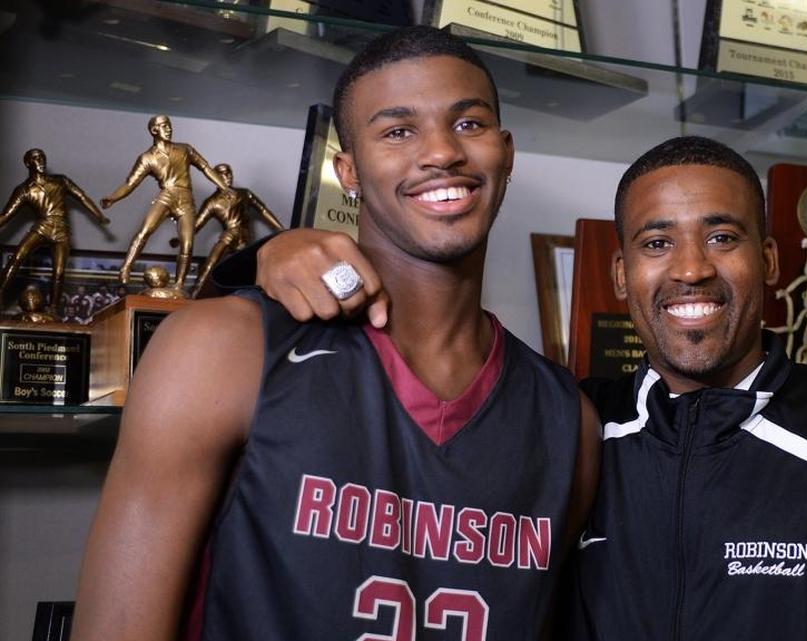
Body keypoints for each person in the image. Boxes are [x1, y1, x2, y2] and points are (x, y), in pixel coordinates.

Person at [223, 136, 807, 639]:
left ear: (768, 261)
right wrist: (266, 256)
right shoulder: (566, 426)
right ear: (622, 274)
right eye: (658, 242)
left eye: (722, 236)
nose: (691, 268)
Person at [72, 26, 598, 641]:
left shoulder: (570, 420)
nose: (441, 152)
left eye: (469, 123)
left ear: (505, 152)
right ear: (348, 170)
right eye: (398, 131)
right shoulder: (221, 348)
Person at [101, 115, 231, 291]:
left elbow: (206, 168)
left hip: (186, 198)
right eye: (164, 126)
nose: (168, 129)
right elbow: (130, 184)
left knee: (188, 243)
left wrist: (224, 187)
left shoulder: (185, 149)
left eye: (169, 125)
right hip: (166, 196)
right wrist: (113, 197)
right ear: (154, 130)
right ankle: (126, 268)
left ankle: (179, 284)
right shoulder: (147, 157)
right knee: (145, 231)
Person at [0, 148, 109, 309]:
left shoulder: (60, 181)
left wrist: (99, 216)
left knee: (59, 272)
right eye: (36, 158)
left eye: (42, 157)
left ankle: (53, 309)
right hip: (42, 226)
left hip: (61, 229)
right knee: (17, 257)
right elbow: (6, 215)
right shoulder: (24, 190)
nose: (41, 160)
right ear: (28, 163)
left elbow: (82, 197)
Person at [191, 163, 284, 298]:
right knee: (211, 263)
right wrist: (181, 238)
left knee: (251, 268)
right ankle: (194, 295)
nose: (228, 176)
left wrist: (281, 229)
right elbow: (197, 225)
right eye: (223, 174)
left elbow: (263, 211)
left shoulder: (244, 194)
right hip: (229, 235)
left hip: (244, 236)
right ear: (215, 177)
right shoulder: (212, 202)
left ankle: (260, 298)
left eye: (229, 173)